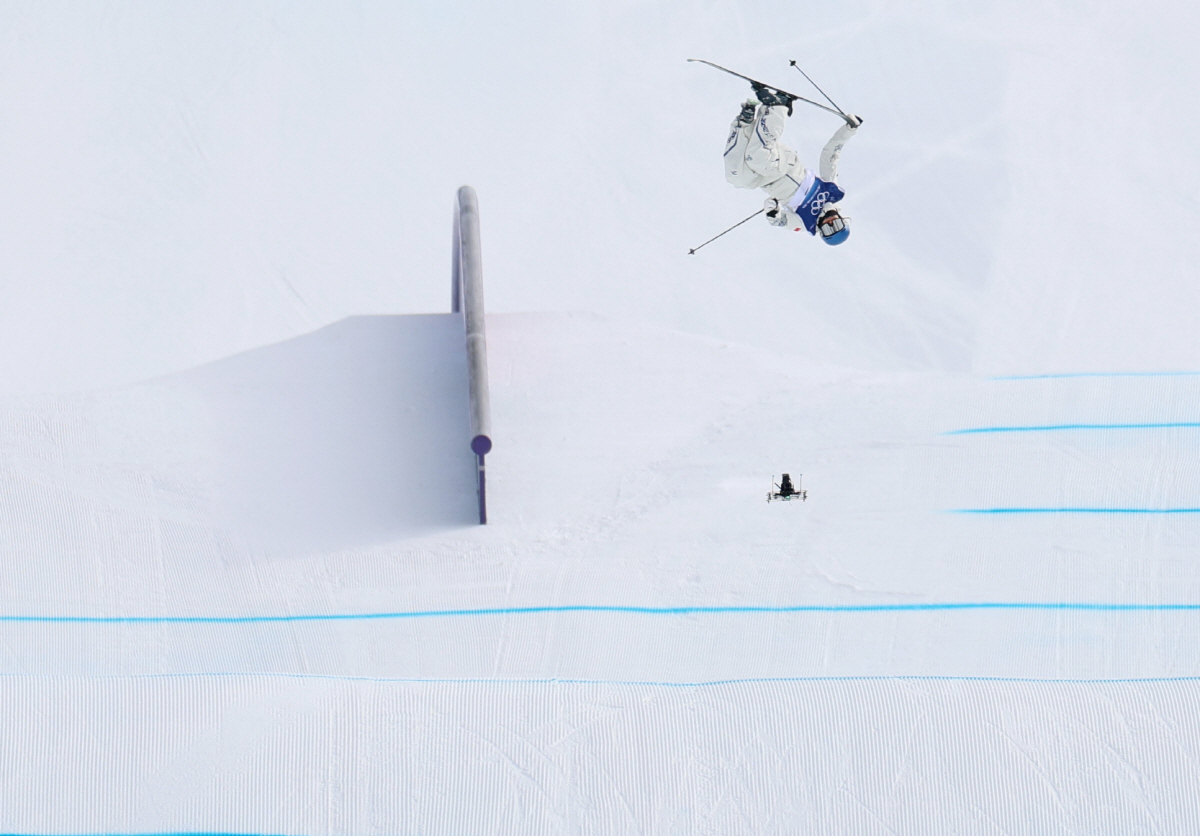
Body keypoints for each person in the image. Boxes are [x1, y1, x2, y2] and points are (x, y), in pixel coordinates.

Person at [724, 86, 861, 245]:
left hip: (766, 181)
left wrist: (773, 213)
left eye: (828, 229)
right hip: (785, 165)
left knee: (737, 177)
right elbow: (830, 156)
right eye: (836, 225)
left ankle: (745, 121)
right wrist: (848, 131)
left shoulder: (804, 223)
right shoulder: (832, 191)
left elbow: (781, 221)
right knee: (758, 159)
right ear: (843, 219)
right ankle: (778, 106)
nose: (829, 222)